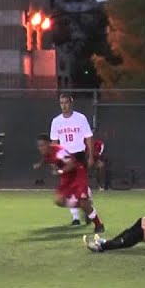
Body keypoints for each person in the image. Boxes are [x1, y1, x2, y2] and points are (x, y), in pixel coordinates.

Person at [34, 135, 104, 233]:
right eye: (39, 146)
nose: (41, 148)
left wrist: (60, 171)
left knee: (83, 203)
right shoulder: (47, 153)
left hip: (78, 174)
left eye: (43, 145)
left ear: (49, 144)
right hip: (66, 178)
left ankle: (99, 224)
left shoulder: (60, 152)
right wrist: (39, 164)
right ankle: (87, 207)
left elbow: (72, 163)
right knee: (59, 201)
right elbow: (46, 158)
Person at [49, 93, 95, 226]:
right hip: (65, 158)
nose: (64, 106)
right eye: (61, 103)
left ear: (71, 103)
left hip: (79, 156)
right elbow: (54, 142)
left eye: (66, 102)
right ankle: (76, 217)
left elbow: (88, 137)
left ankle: (88, 208)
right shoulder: (56, 121)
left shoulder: (80, 118)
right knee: (69, 187)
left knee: (81, 186)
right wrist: (53, 161)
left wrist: (91, 156)